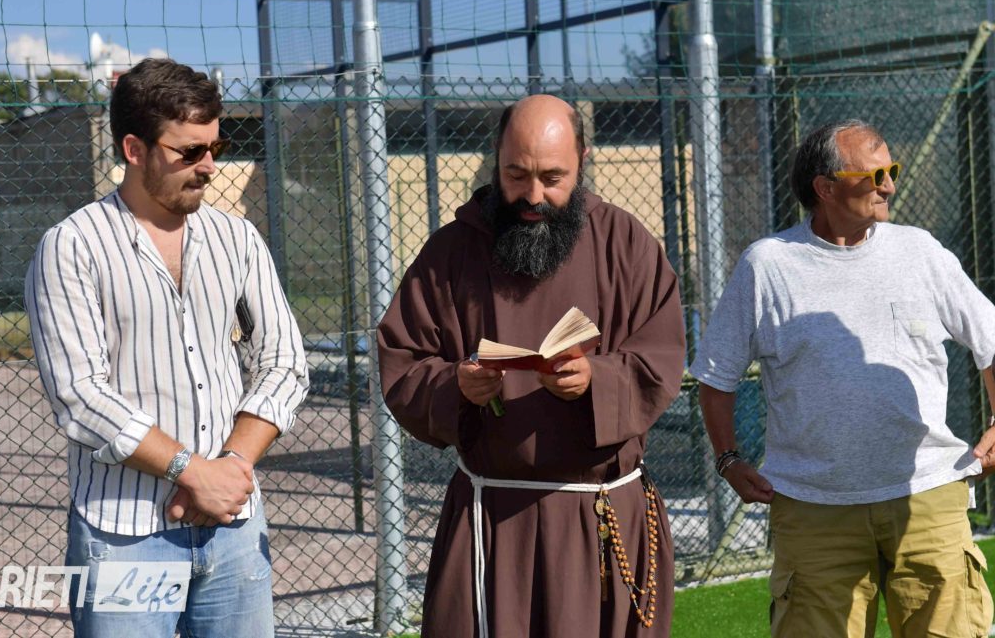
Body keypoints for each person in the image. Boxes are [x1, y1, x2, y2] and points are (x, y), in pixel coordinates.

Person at [377, 94, 685, 637]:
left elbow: (659, 358)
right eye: (516, 175)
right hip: (493, 519)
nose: (533, 196)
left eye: (552, 178)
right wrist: (456, 385)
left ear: (582, 160)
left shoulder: (626, 243)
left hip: (601, 516)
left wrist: (597, 381)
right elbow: (403, 361)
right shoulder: (452, 251)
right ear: (496, 159)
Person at [24, 58, 309, 637]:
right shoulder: (72, 246)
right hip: (125, 534)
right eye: (189, 151)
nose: (209, 165)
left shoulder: (237, 238)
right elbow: (80, 396)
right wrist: (191, 471)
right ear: (134, 149)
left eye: (215, 146)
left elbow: (285, 362)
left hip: (234, 526)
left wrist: (230, 468)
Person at [690, 118, 995, 637]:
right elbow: (716, 375)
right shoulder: (767, 266)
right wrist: (728, 459)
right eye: (874, 176)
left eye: (892, 171)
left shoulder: (920, 251)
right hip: (813, 512)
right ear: (825, 188)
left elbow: (990, 340)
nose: (889, 186)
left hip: (928, 499)